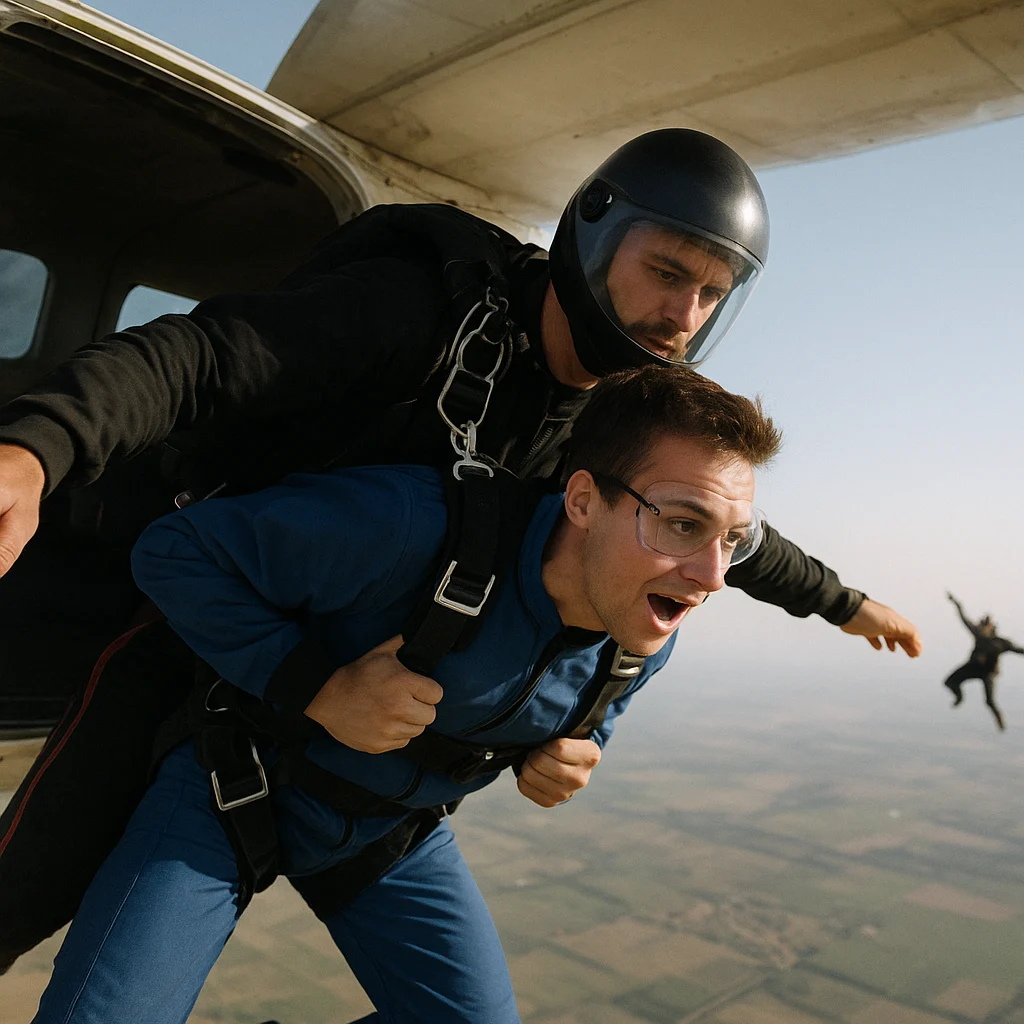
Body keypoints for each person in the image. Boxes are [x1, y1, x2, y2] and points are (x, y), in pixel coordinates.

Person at [0, 128, 921, 973]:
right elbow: (199, 359)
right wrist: (36, 451)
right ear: (593, 236)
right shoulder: (423, 313)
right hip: (209, 633)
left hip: (359, 743)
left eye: (712, 293)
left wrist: (841, 602)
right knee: (28, 889)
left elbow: (713, 522)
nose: (684, 314)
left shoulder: (617, 420)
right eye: (667, 272)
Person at [31, 367, 781, 1023]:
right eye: (683, 525)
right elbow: (176, 549)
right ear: (584, 500)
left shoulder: (641, 635)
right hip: (232, 789)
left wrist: (577, 752)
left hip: (388, 832)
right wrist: (317, 687)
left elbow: (592, 718)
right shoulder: (412, 528)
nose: (712, 576)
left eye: (734, 541)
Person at [945, 593, 1023, 731]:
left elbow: (1020, 650)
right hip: (973, 667)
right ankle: (959, 696)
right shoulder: (979, 635)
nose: (980, 627)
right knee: (950, 682)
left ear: (991, 629)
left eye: (983, 625)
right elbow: (964, 618)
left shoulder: (1001, 643)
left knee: (989, 701)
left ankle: (999, 718)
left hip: (988, 673)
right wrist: (956, 602)